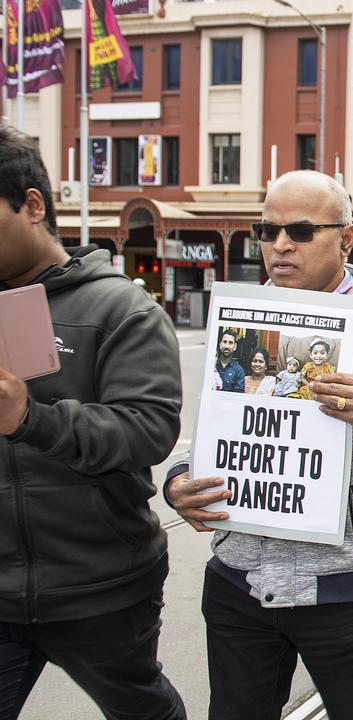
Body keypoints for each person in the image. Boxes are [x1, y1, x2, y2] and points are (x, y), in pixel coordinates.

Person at [163, 170, 353, 720]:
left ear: (347, 238)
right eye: (267, 230)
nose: (280, 245)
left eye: (300, 231)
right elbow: (215, 428)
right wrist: (180, 479)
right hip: (239, 581)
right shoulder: (243, 315)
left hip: (347, 586)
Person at [0, 125, 186, 719]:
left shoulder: (121, 308)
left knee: (142, 710)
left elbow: (147, 431)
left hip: (102, 586)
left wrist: (30, 417)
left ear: (32, 205)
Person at [213, 328, 245, 392]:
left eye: (230, 343)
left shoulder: (239, 371)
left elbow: (237, 396)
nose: (227, 346)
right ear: (220, 344)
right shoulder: (212, 365)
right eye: (225, 342)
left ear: (235, 346)